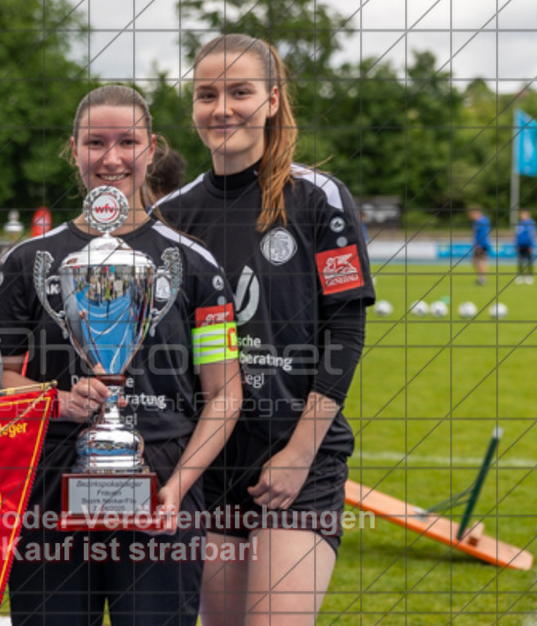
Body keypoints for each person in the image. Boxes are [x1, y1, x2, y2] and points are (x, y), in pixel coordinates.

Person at [0, 85, 243, 626]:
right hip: (51, 484)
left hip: (162, 481)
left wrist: (176, 490)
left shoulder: (193, 264)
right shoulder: (28, 261)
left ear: (151, 148)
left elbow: (225, 393)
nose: (111, 158)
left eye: (127, 142)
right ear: (73, 149)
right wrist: (55, 400)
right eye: (95, 142)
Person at [153, 34, 375, 625]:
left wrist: (300, 452)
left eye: (240, 92)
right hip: (211, 465)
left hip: (298, 458)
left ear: (272, 101)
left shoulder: (318, 199)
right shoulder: (170, 215)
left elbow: (345, 336)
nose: (221, 107)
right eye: (207, 94)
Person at [468, 207, 492, 285]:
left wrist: (480, 245)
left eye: (471, 215)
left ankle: (483, 279)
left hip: (482, 244)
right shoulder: (478, 221)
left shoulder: (482, 221)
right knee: (476, 260)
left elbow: (483, 235)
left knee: (481, 261)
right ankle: (481, 278)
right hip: (479, 244)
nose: (471, 217)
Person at [514, 209, 537, 284]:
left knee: (529, 261)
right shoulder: (519, 223)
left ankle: (529, 276)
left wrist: (531, 245)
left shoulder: (531, 223)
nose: (521, 216)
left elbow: (532, 235)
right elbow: (516, 235)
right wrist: (516, 244)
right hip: (520, 245)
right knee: (520, 261)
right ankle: (520, 276)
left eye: (523, 214)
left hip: (528, 245)